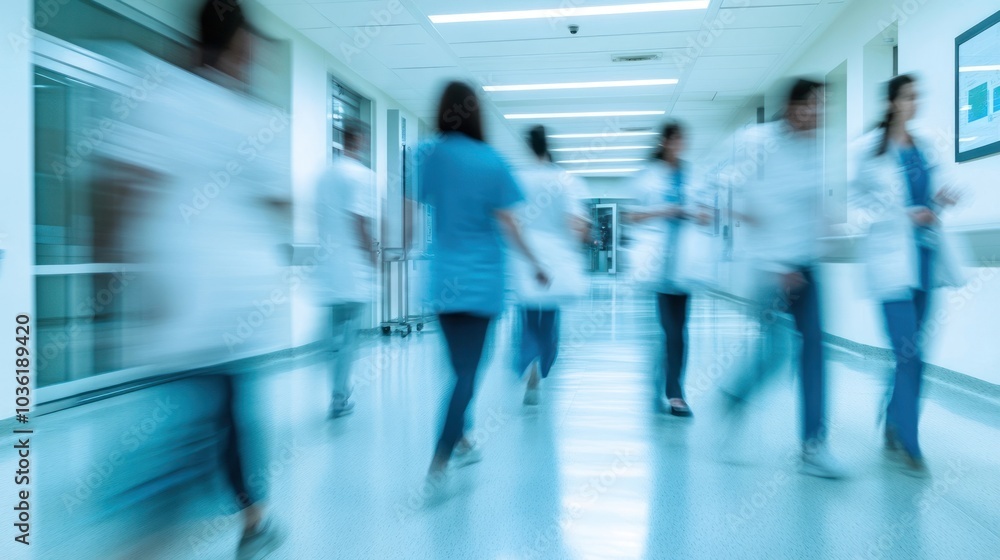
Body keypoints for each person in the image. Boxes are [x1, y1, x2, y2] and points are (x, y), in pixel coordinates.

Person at [418, 82, 548, 481]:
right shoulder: (493, 161)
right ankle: (441, 453)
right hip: (481, 281)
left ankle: (462, 438)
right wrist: (535, 261)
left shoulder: (429, 155)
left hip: (442, 280)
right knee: (467, 372)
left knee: (459, 368)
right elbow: (509, 224)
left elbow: (413, 213)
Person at [720, 78, 845, 478]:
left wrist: (825, 225)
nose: (819, 114)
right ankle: (736, 397)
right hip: (770, 269)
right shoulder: (758, 142)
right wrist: (777, 264)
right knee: (774, 352)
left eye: (823, 106)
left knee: (813, 351)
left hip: (806, 264)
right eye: (812, 106)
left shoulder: (812, 146)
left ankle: (813, 445)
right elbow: (745, 200)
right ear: (792, 107)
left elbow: (809, 199)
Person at [850, 74, 963, 477]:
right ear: (892, 102)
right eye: (910, 96)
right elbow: (857, 208)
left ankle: (895, 417)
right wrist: (902, 215)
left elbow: (935, 187)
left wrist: (940, 199)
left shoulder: (924, 146)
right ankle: (909, 441)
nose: (916, 103)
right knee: (907, 353)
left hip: (926, 261)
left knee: (918, 354)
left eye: (918, 96)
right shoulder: (866, 150)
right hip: (891, 266)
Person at [627, 122, 712, 417]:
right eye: (674, 140)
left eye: (682, 140)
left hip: (685, 265)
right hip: (657, 265)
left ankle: (672, 384)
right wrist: (666, 209)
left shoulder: (693, 175)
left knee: (679, 331)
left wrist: (702, 215)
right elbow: (633, 216)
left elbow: (704, 210)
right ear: (664, 142)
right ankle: (674, 392)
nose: (679, 145)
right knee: (671, 331)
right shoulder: (647, 177)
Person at [513, 125, 590, 406]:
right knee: (549, 320)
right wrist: (581, 241)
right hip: (556, 261)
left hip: (525, 258)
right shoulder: (564, 180)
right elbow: (576, 224)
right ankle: (542, 364)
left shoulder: (518, 178)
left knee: (527, 318)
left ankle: (528, 365)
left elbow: (508, 220)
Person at [312, 120, 376, 418]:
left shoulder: (323, 176)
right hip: (353, 268)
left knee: (334, 336)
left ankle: (336, 392)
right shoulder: (362, 176)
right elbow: (360, 221)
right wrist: (373, 257)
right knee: (349, 338)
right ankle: (339, 397)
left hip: (327, 267)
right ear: (360, 140)